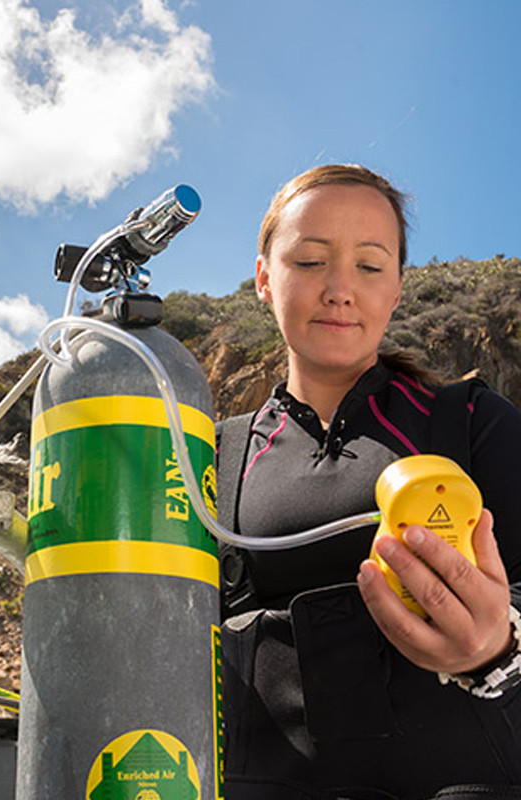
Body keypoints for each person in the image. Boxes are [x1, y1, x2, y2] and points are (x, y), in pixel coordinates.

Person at [217, 164, 521, 800]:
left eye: (370, 266)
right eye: (309, 261)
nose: (339, 289)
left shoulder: (474, 423)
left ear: (398, 291)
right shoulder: (215, 454)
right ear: (264, 279)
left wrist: (497, 647)